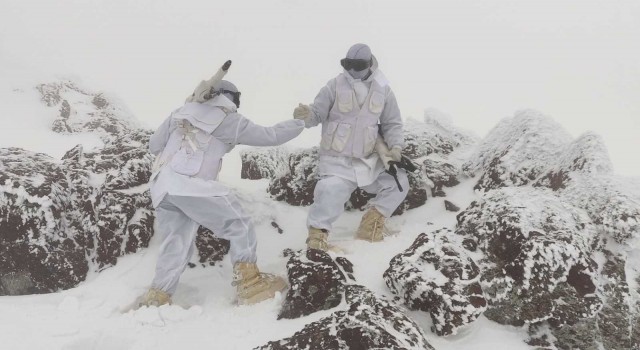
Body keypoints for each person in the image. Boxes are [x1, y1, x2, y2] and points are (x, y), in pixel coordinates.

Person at [139, 76, 305, 307]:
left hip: (163, 188)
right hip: (192, 187)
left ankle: (158, 295)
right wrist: (300, 122)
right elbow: (271, 136)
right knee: (239, 223)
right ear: (232, 98)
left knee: (176, 243)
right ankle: (250, 284)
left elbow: (155, 146)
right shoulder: (228, 119)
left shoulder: (180, 112)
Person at [293, 43, 408, 251]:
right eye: (348, 65)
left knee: (398, 182)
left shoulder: (383, 89)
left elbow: (392, 123)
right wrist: (306, 115)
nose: (352, 70)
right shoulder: (333, 86)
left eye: (357, 65)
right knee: (330, 190)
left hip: (367, 160)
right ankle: (317, 236)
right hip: (337, 159)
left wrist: (396, 147)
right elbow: (317, 114)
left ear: (369, 64)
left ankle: (370, 225)